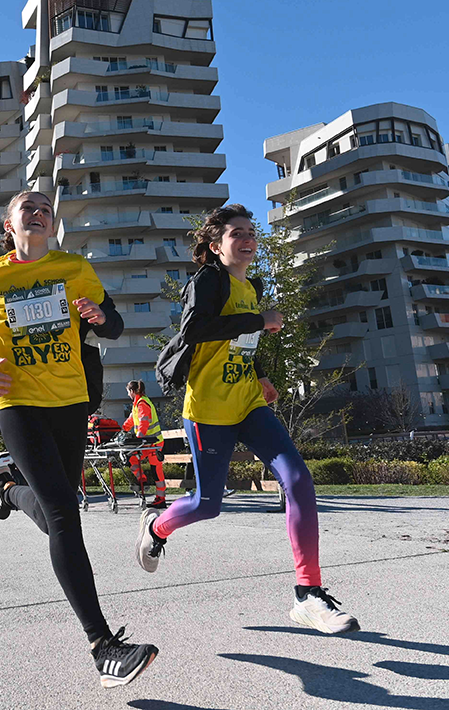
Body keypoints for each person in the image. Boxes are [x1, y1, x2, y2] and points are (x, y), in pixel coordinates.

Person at [0, 190, 158, 688]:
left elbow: (114, 325)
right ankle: (102, 646)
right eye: (28, 207)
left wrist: (100, 317)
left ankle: (6, 489)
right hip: (19, 406)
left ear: (53, 224)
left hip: (70, 405)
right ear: (9, 225)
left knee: (57, 516)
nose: (38, 212)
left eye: (45, 208)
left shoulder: (75, 269)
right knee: (66, 514)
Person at [136, 204, 359, 635]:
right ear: (215, 245)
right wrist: (259, 319)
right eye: (236, 233)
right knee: (207, 504)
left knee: (298, 480)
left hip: (249, 404)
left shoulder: (251, 287)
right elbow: (195, 330)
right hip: (209, 410)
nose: (247, 239)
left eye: (251, 233)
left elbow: (239, 342)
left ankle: (308, 594)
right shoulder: (207, 281)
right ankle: (157, 527)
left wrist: (259, 374)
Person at [122, 381, 166, 508]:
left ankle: (161, 499)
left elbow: (143, 422)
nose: (128, 395)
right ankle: (142, 480)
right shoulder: (137, 404)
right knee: (130, 458)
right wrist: (122, 430)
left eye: (128, 392)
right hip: (148, 443)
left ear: (132, 391)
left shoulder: (142, 403)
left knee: (156, 471)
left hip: (154, 443)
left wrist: (138, 438)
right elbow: (131, 420)